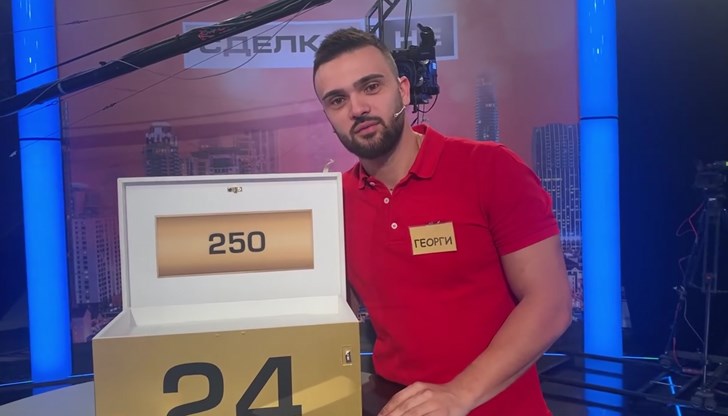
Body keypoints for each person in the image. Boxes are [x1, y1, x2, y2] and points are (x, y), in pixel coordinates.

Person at [312, 27, 572, 416]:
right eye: (338, 100)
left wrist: (458, 394)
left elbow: (550, 303)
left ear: (403, 90)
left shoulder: (489, 168)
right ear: (329, 117)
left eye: (370, 86)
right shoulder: (334, 202)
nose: (357, 108)